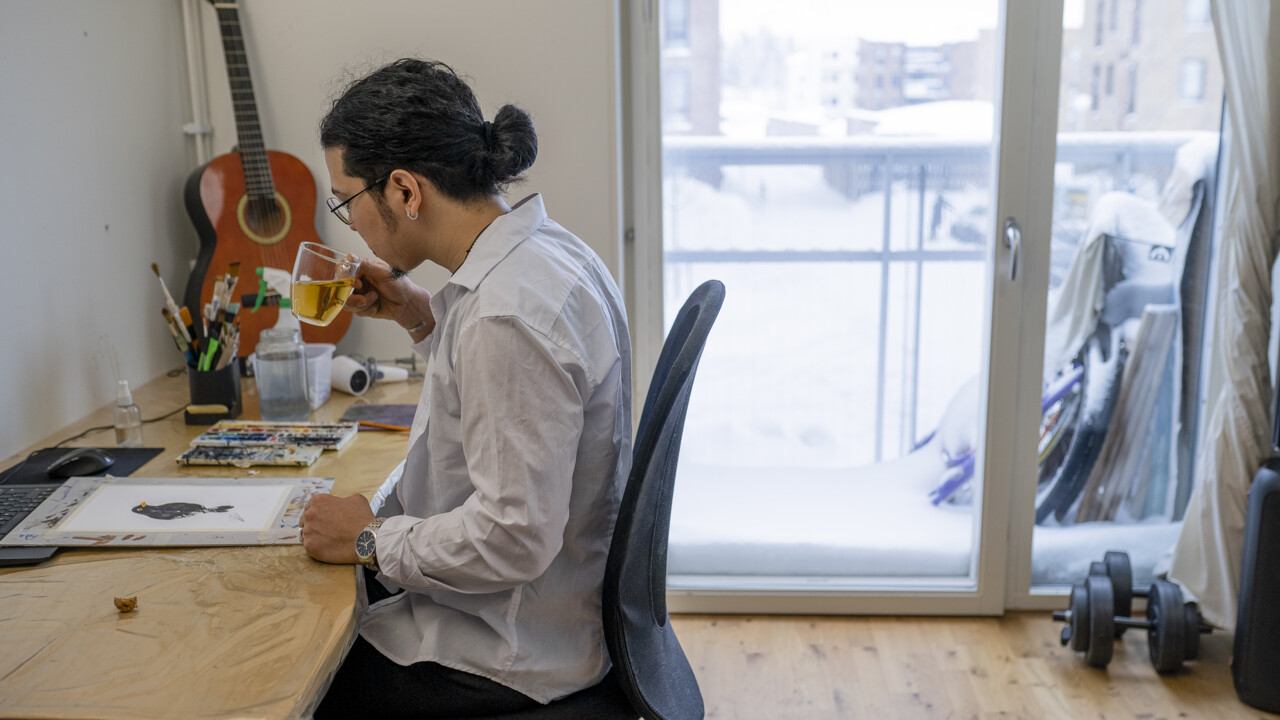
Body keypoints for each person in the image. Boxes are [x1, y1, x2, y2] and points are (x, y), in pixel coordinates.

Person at [300, 58, 633, 718]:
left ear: (403, 191)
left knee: (291, 669)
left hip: (505, 652)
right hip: (553, 612)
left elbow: (512, 537)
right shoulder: (549, 254)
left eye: (346, 200)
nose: (351, 223)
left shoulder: (505, 315)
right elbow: (504, 395)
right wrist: (422, 316)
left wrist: (367, 540)